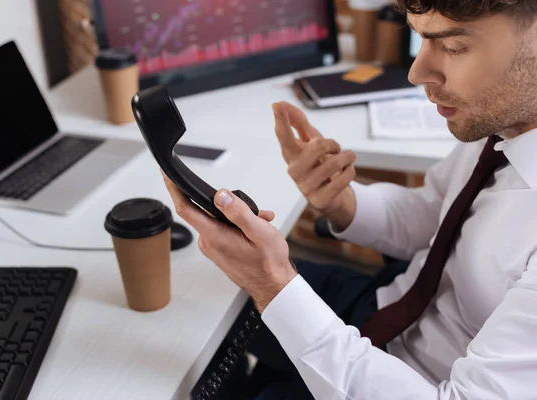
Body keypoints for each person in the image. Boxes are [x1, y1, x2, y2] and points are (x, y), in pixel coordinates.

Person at [164, 0, 537, 398]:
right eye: (422, 39)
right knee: (192, 288)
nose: (416, 73)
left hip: (409, 381)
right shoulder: (505, 119)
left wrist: (272, 285)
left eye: (453, 47)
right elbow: (433, 213)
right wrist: (342, 203)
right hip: (382, 302)